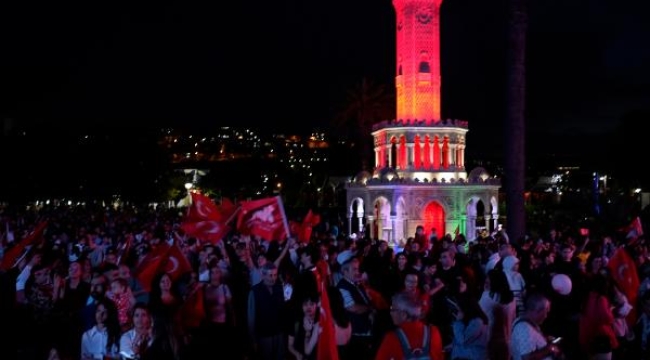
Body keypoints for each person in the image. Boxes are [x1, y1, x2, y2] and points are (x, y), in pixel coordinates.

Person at [374, 291, 444, 360]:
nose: (391, 313)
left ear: (403, 315)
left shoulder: (391, 338)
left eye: (393, 309)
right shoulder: (434, 332)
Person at [510, 292, 562, 360]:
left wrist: (545, 339)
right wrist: (549, 349)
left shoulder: (529, 323)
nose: (546, 316)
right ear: (537, 310)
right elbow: (527, 358)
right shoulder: (523, 328)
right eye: (546, 311)